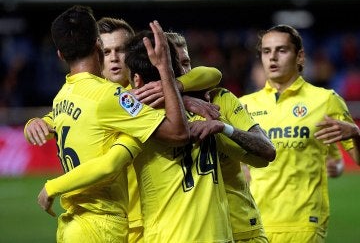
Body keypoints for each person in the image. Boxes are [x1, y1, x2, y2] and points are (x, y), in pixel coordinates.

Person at [37, 30, 275, 243]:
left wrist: (52, 187)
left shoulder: (139, 120)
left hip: (204, 230)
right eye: (107, 51)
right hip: (203, 233)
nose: (113, 58)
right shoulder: (202, 117)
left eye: (119, 50)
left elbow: (212, 75)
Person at [34, 5, 190, 243]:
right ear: (98, 45)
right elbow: (178, 133)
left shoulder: (62, 96)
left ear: (61, 55)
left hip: (72, 224)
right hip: (102, 224)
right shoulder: (111, 96)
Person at [239, 24, 359, 243]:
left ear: (300, 56)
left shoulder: (325, 100)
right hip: (255, 225)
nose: (272, 57)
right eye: (266, 51)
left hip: (304, 224)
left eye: (281, 50)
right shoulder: (243, 106)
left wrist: (355, 134)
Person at [166, 31, 272, 242]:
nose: (184, 70)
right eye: (176, 65)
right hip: (192, 232)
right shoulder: (155, 109)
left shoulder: (220, 98)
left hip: (242, 226)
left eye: (187, 63)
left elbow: (266, 151)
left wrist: (224, 128)